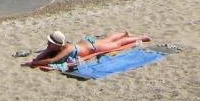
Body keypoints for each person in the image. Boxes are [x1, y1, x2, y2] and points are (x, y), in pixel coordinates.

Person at [23, 30, 152, 69]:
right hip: (86, 42)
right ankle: (124, 33)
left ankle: (142, 37)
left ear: (57, 45)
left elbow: (52, 60)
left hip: (93, 47)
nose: (47, 44)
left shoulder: (66, 49)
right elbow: (45, 55)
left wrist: (35, 63)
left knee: (117, 44)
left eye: (50, 43)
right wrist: (45, 51)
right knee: (108, 39)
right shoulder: (60, 47)